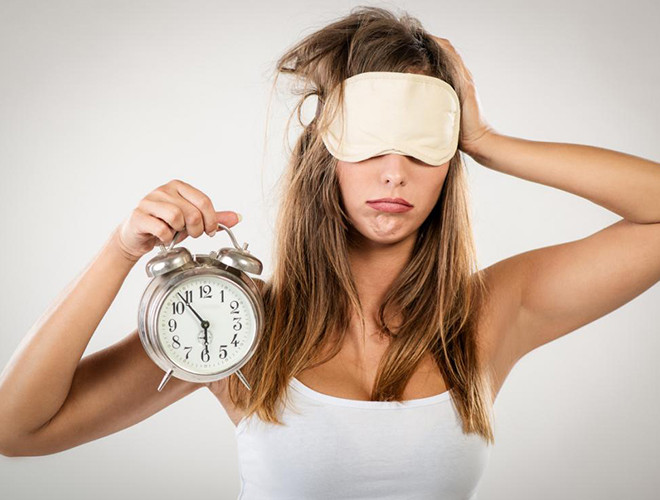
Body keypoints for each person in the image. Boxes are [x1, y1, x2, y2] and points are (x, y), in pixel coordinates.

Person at [1, 5, 658, 499]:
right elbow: (17, 429)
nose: (394, 172)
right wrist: (119, 251)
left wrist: (486, 140)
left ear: (449, 156)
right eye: (370, 141)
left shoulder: (488, 314)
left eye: (422, 141)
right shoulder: (236, 325)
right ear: (326, 151)